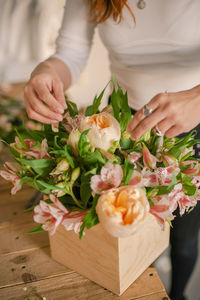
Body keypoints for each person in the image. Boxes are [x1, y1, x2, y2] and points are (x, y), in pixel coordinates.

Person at [24, 1, 200, 299]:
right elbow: (71, 51)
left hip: (195, 126)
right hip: (125, 127)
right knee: (130, 231)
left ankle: (179, 294)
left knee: (184, 238)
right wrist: (46, 71)